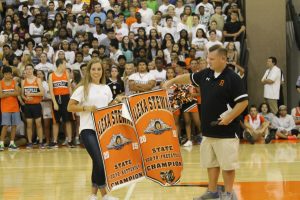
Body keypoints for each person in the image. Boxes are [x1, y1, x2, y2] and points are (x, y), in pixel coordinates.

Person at [163, 45, 248, 200]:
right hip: (208, 130)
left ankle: (229, 193)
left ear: (223, 59)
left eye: (212, 59)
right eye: (208, 58)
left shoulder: (232, 78)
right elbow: (189, 77)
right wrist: (172, 81)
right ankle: (212, 191)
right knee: (211, 163)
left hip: (227, 132)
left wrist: (229, 117)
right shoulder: (206, 74)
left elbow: (243, 103)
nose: (208, 61)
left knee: (228, 166)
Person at [67, 59, 122, 200]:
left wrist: (116, 101)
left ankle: (92, 194)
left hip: (103, 130)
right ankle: (104, 195)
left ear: (102, 71)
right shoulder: (82, 88)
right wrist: (86, 108)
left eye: (99, 69)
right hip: (87, 129)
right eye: (93, 69)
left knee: (97, 161)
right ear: (88, 71)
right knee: (100, 160)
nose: (96, 72)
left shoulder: (106, 88)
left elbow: (107, 106)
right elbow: (70, 107)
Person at [48, 58, 73, 148]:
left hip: (66, 98)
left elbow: (69, 88)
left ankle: (69, 140)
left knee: (68, 120)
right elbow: (51, 90)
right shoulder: (51, 75)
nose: (66, 66)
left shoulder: (66, 73)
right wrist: (54, 103)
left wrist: (72, 99)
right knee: (56, 121)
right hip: (56, 98)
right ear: (60, 65)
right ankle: (54, 141)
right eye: (64, 64)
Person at [21, 64, 45, 149]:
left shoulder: (37, 79)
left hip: (36, 105)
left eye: (30, 69)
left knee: (38, 124)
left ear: (32, 70)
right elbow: (22, 95)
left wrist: (32, 94)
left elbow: (42, 93)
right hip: (28, 106)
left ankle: (41, 142)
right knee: (29, 124)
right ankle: (30, 142)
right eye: (27, 69)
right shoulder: (23, 81)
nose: (28, 70)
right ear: (25, 71)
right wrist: (26, 98)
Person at [0, 67, 22, 151]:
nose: (7, 75)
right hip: (5, 107)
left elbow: (18, 93)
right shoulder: (1, 83)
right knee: (5, 125)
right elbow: (1, 95)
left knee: (14, 125)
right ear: (3, 74)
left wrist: (7, 93)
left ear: (11, 74)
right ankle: (1, 143)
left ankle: (12, 143)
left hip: (15, 107)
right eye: (6, 74)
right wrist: (11, 93)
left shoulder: (14, 82)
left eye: (9, 73)